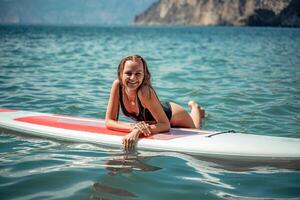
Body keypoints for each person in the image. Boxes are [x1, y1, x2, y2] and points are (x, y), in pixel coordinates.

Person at [105, 55, 205, 149]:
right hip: (156, 117)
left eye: (138, 73)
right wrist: (132, 127)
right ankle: (196, 110)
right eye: (128, 73)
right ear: (120, 74)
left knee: (196, 128)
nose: (133, 78)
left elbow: (165, 125)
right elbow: (109, 121)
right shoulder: (118, 86)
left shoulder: (144, 91)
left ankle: (195, 108)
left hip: (174, 115)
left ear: (144, 75)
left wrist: (138, 131)